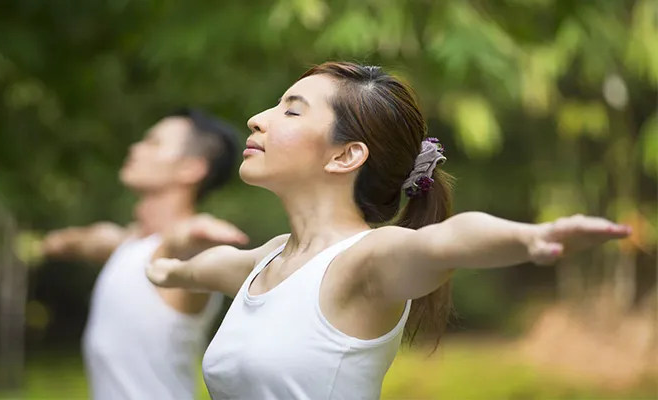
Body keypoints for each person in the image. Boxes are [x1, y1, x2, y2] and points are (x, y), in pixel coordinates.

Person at [146, 62, 632, 400]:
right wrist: (165, 269)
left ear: (345, 156)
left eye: (291, 110)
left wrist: (531, 237)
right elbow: (205, 269)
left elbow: (446, 242)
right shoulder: (270, 259)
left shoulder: (365, 260)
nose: (257, 119)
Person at [41, 108, 248, 400]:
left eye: (153, 142)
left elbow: (183, 243)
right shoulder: (130, 245)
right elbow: (95, 240)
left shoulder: (180, 256)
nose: (135, 148)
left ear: (191, 168)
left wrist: (198, 232)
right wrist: (57, 242)